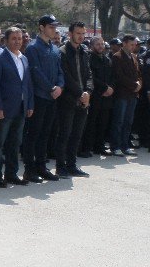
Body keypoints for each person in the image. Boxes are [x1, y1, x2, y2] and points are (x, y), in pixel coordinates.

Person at [22, 15, 64, 182]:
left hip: (52, 97)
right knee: (33, 133)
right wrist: (51, 88)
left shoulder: (54, 48)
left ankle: (41, 166)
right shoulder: (33, 48)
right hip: (40, 96)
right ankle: (29, 169)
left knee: (45, 133)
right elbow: (35, 71)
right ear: (41, 27)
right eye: (51, 26)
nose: (55, 30)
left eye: (55, 27)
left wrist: (59, 86)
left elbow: (60, 70)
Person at [0, 27, 33, 187]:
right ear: (5, 40)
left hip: (21, 107)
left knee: (15, 143)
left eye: (20, 38)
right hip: (4, 108)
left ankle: (12, 174)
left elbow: (27, 84)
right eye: (14, 38)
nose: (17, 41)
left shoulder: (24, 58)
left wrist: (29, 104)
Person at [55, 22, 93, 177]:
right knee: (64, 134)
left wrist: (88, 92)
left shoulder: (84, 51)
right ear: (70, 34)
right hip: (68, 100)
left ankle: (72, 165)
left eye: (83, 33)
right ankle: (60, 166)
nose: (81, 36)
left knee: (77, 135)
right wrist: (80, 93)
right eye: (78, 33)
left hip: (83, 100)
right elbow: (66, 77)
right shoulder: (62, 52)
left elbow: (89, 75)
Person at [109, 34, 142, 156]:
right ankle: (115, 146)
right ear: (124, 43)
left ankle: (125, 145)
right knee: (119, 121)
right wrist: (134, 85)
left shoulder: (134, 57)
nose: (133, 47)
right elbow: (119, 76)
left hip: (133, 95)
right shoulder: (117, 57)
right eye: (131, 44)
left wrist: (139, 83)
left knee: (128, 121)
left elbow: (138, 73)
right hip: (122, 94)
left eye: (135, 45)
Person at [82, 35, 113, 157]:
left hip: (106, 96)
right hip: (95, 95)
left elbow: (112, 76)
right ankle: (87, 148)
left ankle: (99, 146)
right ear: (92, 46)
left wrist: (110, 88)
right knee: (91, 123)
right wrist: (105, 87)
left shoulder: (107, 60)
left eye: (102, 44)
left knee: (103, 123)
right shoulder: (89, 59)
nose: (101, 46)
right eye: (98, 44)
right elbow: (91, 78)